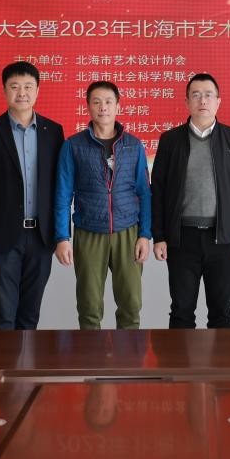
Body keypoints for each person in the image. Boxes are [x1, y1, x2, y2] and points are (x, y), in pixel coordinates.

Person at [151, 73, 230, 328]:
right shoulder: (170, 140)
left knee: (222, 312)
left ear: (218, 101)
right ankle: (178, 357)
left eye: (208, 95)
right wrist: (159, 236)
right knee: (181, 311)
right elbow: (158, 191)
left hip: (223, 239)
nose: (202, 101)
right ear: (186, 102)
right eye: (196, 95)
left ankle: (223, 357)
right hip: (181, 239)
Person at [0, 61, 64, 329]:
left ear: (38, 91)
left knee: (30, 313)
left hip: (41, 236)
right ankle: (3, 359)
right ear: (4, 90)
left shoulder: (53, 131)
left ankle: (26, 358)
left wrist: (61, 234)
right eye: (15, 86)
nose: (22, 93)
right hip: (2, 236)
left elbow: (60, 187)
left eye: (28, 87)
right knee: (2, 314)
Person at [55, 81, 152, 329]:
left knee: (131, 305)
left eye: (108, 102)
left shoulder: (133, 145)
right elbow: (63, 195)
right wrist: (62, 237)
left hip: (127, 232)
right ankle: (91, 355)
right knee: (89, 307)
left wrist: (145, 234)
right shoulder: (73, 145)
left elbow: (144, 193)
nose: (103, 107)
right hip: (89, 232)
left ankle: (128, 355)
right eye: (96, 102)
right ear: (88, 106)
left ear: (118, 106)